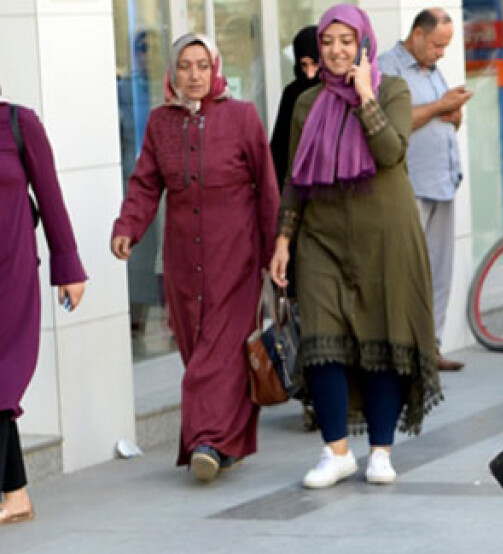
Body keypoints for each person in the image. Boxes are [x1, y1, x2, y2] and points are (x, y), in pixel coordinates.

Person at [269, 3, 442, 488]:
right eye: (329, 41)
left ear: (363, 44)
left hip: (385, 237)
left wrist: (365, 94)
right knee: (322, 344)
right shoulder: (307, 103)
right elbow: (295, 179)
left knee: (381, 341)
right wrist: (283, 238)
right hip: (321, 237)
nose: (337, 50)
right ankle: (336, 451)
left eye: (347, 41)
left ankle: (381, 451)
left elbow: (390, 152)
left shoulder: (393, 89)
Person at [111, 34, 279, 482]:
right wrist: (128, 226)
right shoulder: (160, 123)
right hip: (184, 259)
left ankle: (206, 440)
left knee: (219, 351)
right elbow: (146, 183)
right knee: (197, 347)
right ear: (172, 72)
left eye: (202, 65)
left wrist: (275, 251)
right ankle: (229, 445)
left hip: (236, 256)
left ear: (216, 67)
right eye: (185, 66)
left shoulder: (243, 117)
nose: (194, 75)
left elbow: (267, 188)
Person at [1, 96, 87, 525]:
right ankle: (15, 495)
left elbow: (50, 196)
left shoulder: (18, 123)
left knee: (1, 380)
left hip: (10, 276)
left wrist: (68, 267)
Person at [380, 8, 472, 372]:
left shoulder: (433, 71)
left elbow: (443, 119)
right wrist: (439, 107)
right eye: (436, 44)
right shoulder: (389, 68)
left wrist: (454, 114)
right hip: (411, 187)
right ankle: (405, 352)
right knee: (408, 274)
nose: (441, 53)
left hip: (443, 183)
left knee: (439, 272)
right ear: (417, 34)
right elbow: (392, 123)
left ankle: (430, 348)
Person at [270, 26, 321, 191]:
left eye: (315, 64)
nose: (310, 74)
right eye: (303, 65)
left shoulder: (337, 92)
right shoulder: (292, 93)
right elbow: (280, 147)